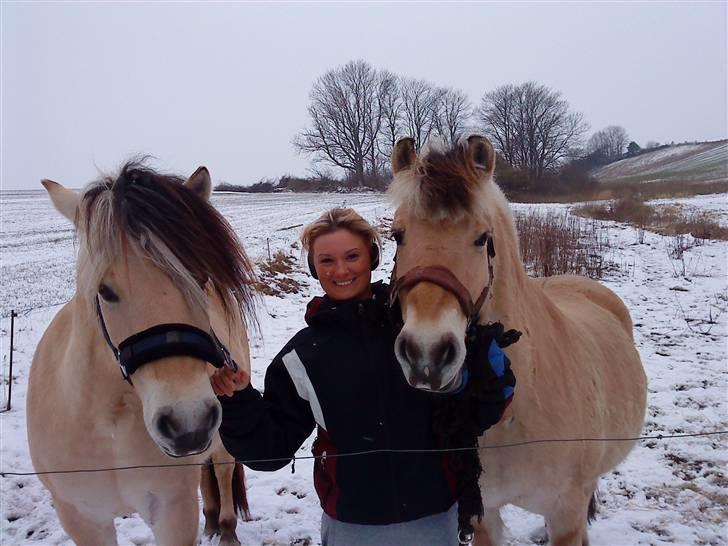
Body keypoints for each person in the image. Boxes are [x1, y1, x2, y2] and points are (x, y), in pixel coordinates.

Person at [211, 207, 514, 546]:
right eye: (327, 261)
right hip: (352, 527)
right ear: (314, 268)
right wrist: (238, 403)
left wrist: (492, 380)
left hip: (435, 517)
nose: (341, 270)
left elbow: (475, 416)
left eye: (352, 256)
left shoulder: (418, 333)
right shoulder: (302, 356)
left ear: (372, 257)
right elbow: (270, 451)